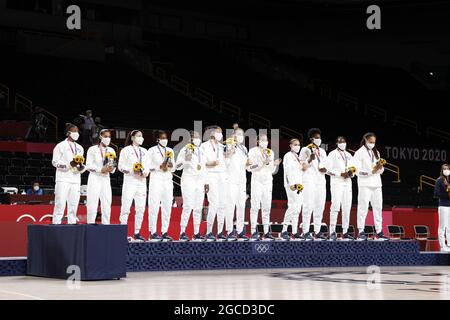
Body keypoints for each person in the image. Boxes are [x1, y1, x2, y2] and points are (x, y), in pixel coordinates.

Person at [354, 132, 389, 241]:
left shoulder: (376, 152)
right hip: (365, 184)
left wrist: (380, 168)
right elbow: (357, 171)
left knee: (378, 208)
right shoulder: (359, 153)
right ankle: (360, 231)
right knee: (363, 208)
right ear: (365, 140)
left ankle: (379, 231)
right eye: (370, 142)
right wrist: (371, 171)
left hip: (377, 184)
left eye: (374, 142)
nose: (372, 144)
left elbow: (381, 170)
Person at [247, 134, 282, 241]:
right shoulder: (252, 151)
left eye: (266, 140)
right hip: (257, 181)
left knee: (266, 207)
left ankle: (266, 232)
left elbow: (271, 170)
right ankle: (253, 232)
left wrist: (275, 164)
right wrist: (262, 163)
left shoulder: (270, 152)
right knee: (255, 207)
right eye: (262, 140)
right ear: (258, 141)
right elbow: (249, 168)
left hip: (267, 182)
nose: (264, 142)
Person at [176, 131, 208, 241]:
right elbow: (177, 166)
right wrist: (186, 160)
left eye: (198, 137)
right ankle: (182, 232)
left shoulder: (202, 151)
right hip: (188, 179)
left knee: (198, 208)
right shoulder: (185, 149)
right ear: (190, 138)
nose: (197, 139)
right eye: (195, 137)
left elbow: (204, 168)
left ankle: (196, 233)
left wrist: (206, 182)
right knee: (188, 206)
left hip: (200, 181)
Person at [118, 130, 149, 242]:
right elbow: (120, 166)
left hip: (141, 182)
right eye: (138, 136)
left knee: (140, 209)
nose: (141, 138)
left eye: (142, 136)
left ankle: (137, 233)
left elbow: (148, 167)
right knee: (126, 208)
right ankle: (122, 233)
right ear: (132, 138)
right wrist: (132, 170)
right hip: (130, 182)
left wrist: (144, 172)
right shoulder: (126, 150)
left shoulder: (145, 151)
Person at [51, 123, 85, 224]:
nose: (77, 133)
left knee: (73, 205)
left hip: (75, 179)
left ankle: (72, 224)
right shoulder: (60, 146)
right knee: (60, 203)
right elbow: (55, 162)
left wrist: (82, 168)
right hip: (63, 179)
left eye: (77, 131)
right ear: (68, 133)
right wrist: (69, 165)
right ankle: (56, 225)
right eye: (74, 131)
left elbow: (81, 164)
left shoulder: (80, 148)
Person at [201, 126, 230, 241]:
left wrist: (229, 155)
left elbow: (225, 164)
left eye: (221, 132)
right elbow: (202, 164)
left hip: (222, 177)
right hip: (211, 176)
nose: (221, 134)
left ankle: (220, 232)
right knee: (214, 204)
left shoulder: (222, 146)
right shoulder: (204, 146)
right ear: (212, 133)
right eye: (219, 132)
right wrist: (206, 181)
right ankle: (208, 232)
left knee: (222, 204)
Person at [299, 128, 328, 241]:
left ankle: (318, 231)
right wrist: (310, 159)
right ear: (311, 139)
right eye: (316, 137)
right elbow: (302, 167)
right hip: (309, 180)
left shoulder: (323, 151)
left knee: (319, 207)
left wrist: (325, 169)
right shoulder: (305, 149)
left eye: (319, 137)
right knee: (308, 206)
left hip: (320, 181)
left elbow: (326, 166)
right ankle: (305, 231)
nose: (318, 139)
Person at [146, 131, 176, 242]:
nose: (165, 139)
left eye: (166, 138)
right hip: (156, 179)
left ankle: (164, 232)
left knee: (167, 206)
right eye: (162, 138)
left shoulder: (170, 151)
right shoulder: (152, 150)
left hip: (168, 180)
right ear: (158, 139)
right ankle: (152, 232)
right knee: (154, 206)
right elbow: (148, 167)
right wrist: (159, 166)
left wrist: (171, 166)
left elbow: (174, 168)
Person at [85, 129, 116, 225]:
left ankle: (106, 225)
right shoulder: (92, 149)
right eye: (105, 136)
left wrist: (111, 169)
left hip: (106, 178)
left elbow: (114, 166)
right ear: (100, 137)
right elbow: (88, 166)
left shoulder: (111, 150)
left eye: (109, 136)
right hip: (95, 178)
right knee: (92, 203)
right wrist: (100, 169)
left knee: (107, 203)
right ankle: (90, 224)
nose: (108, 138)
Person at [327, 136, 355, 241]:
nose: (342, 143)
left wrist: (352, 174)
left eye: (344, 141)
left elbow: (354, 168)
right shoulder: (332, 154)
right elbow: (327, 170)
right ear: (337, 143)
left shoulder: (349, 155)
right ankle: (332, 231)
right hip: (337, 183)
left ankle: (345, 231)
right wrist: (340, 174)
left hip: (347, 183)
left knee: (347, 207)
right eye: (340, 141)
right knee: (335, 207)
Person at [225, 128, 250, 241]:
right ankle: (230, 231)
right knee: (230, 205)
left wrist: (249, 164)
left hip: (242, 181)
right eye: (238, 134)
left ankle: (240, 231)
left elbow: (247, 167)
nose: (240, 136)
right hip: (231, 180)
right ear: (233, 135)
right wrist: (230, 153)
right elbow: (226, 163)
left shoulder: (244, 149)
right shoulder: (229, 145)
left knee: (241, 206)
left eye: (242, 134)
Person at [281, 138, 303, 241]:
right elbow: (288, 171)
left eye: (298, 144)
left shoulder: (298, 157)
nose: (297, 146)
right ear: (290, 145)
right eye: (295, 144)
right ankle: (284, 230)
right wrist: (291, 184)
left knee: (297, 209)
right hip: (292, 185)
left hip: (300, 185)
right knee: (292, 206)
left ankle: (294, 231)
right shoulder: (288, 156)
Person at [434, 164, 450, 252]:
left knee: (449, 227)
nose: (446, 170)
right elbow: (436, 194)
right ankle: (443, 246)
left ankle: (449, 245)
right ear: (442, 170)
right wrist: (447, 194)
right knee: (442, 227)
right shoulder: (439, 180)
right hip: (443, 205)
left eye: (447, 168)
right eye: (444, 169)